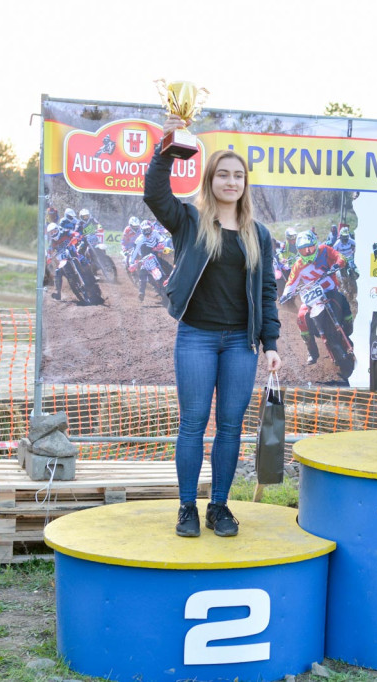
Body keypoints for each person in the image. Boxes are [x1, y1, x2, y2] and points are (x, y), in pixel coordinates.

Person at [144, 116, 282, 538]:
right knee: (193, 422)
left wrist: (271, 342)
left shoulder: (258, 234)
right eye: (223, 174)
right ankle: (187, 506)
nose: (231, 181)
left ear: (245, 183)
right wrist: (165, 147)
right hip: (197, 338)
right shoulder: (189, 221)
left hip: (242, 343)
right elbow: (154, 193)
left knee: (230, 426)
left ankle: (219, 507)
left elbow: (268, 290)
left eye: (238, 175)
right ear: (211, 179)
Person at [280, 231, 353, 366]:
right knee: (301, 317)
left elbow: (340, 256)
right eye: (303, 249)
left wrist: (338, 264)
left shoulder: (325, 250)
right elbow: (291, 282)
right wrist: (285, 294)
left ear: (315, 244)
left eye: (310, 248)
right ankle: (312, 352)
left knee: (343, 300)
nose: (308, 252)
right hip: (312, 297)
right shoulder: (298, 265)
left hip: (330, 290)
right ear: (298, 250)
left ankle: (349, 328)